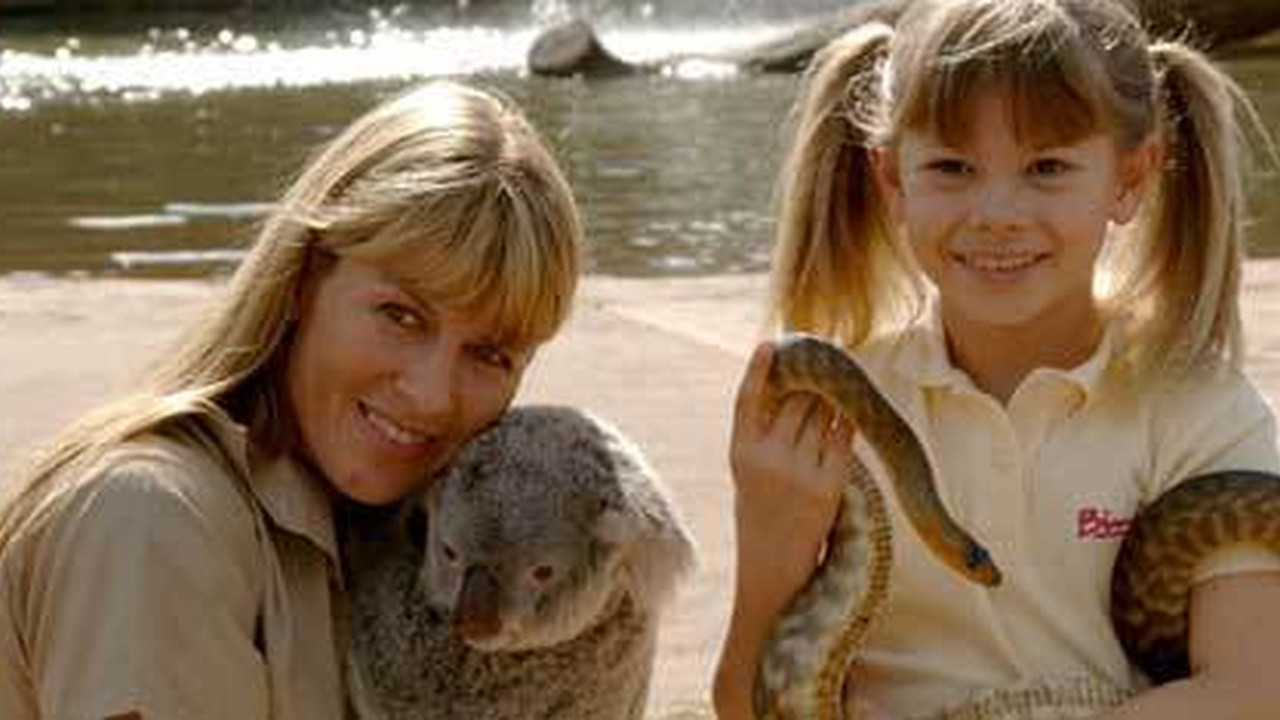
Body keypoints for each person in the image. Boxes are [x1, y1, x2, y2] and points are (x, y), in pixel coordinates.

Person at [713, 0, 1280, 718]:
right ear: (892, 180)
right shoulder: (831, 416)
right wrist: (770, 543)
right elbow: (749, 704)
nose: (997, 212)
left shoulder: (1199, 410)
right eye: (952, 166)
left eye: (1046, 166)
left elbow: (1252, 691)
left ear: (1130, 178)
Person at [0, 81, 581, 720]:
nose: (432, 395)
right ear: (305, 278)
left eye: (491, 355)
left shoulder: (379, 536)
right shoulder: (152, 523)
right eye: (401, 314)